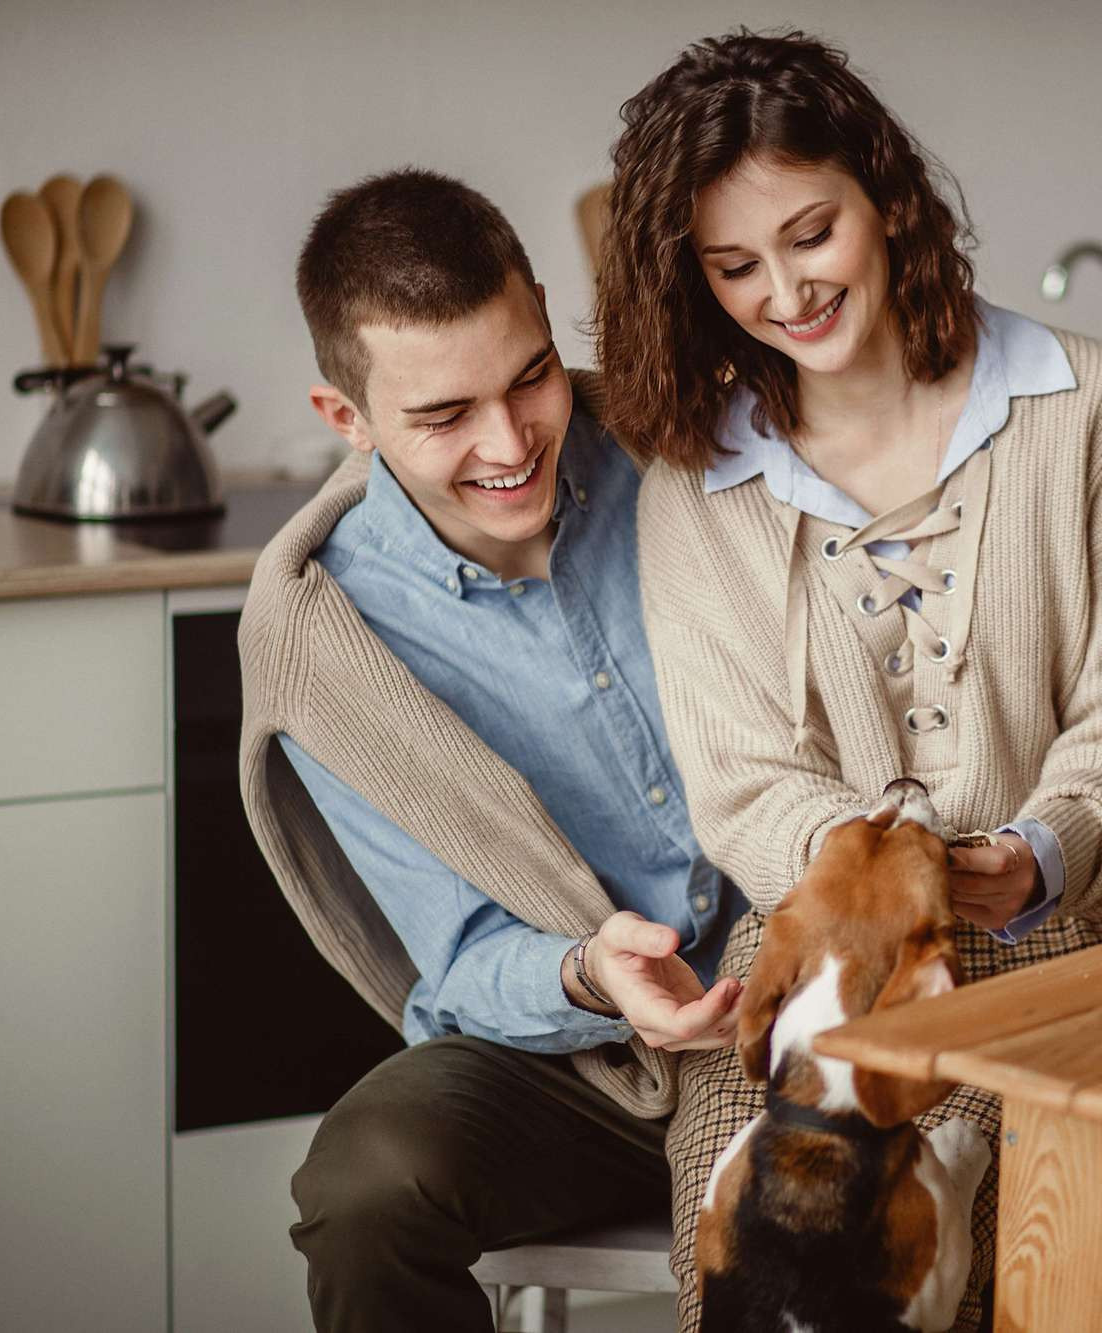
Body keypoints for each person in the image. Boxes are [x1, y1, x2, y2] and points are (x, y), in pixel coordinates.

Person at [593, 30, 1102, 1330]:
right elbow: (744, 781)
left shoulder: (1092, 407)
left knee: (1005, 1267)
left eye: (811, 233)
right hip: (811, 957)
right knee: (761, 1267)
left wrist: (1043, 850)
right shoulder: (696, 481)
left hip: (1055, 943)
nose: (785, 291)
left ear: (886, 193)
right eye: (735, 266)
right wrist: (896, 876)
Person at [235, 168, 750, 1333]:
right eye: (442, 415)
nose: (510, 441)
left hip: (792, 988)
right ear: (346, 419)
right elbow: (458, 956)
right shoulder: (324, 641)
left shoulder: (676, 448)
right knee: (365, 1185)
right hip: (576, 1063)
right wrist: (587, 973)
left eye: (529, 377)